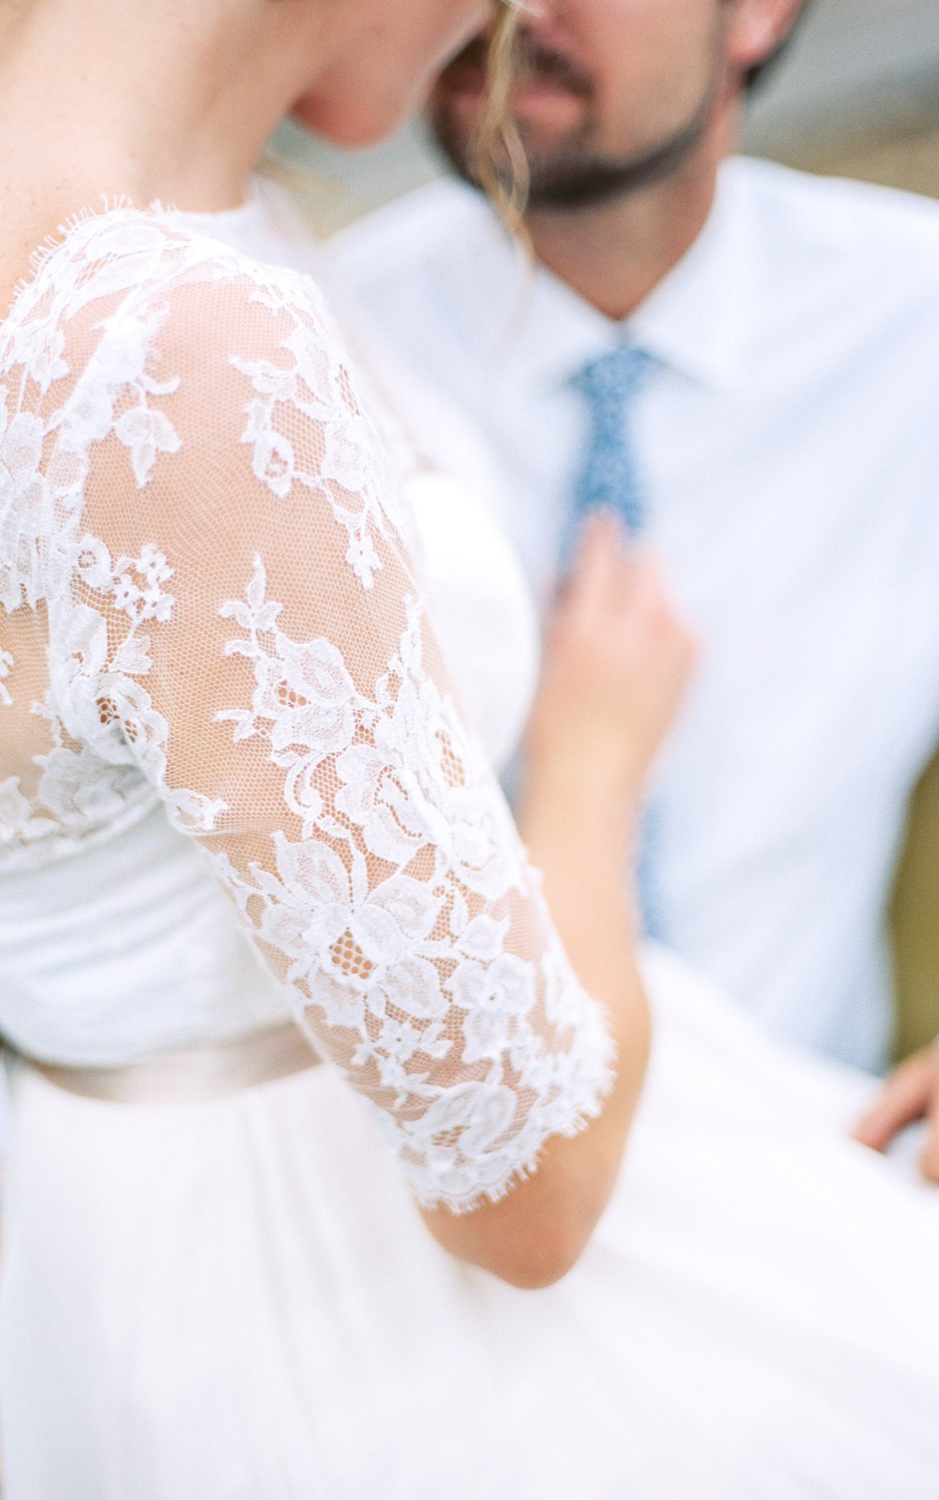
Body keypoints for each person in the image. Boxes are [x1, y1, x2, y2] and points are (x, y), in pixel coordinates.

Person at [0, 2, 939, 1498]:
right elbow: (525, 1194)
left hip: (725, 1127)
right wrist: (592, 766)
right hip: (366, 1313)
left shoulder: (27, 177)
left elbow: (44, 782)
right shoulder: (194, 343)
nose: (507, 12)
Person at [335, 0, 939, 1149]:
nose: (505, 13)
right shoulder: (290, 354)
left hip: (817, 1160)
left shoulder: (916, 325)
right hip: (412, 1186)